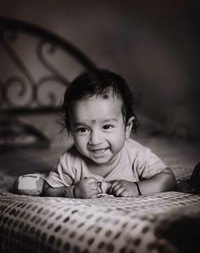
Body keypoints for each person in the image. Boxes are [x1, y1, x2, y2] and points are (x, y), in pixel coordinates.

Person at [43, 69, 177, 198]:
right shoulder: (70, 162)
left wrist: (137, 187)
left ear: (127, 128)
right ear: (71, 130)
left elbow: (168, 179)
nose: (95, 140)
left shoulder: (136, 155)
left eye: (106, 126)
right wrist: (72, 191)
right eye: (83, 129)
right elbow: (49, 190)